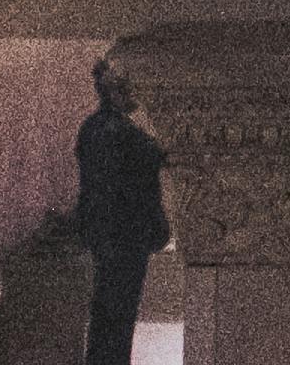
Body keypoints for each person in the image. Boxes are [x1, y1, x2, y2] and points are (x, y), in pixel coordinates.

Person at [70, 62, 170, 365]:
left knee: (105, 308)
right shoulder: (126, 134)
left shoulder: (91, 128)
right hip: (128, 237)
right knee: (121, 312)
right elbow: (157, 163)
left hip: (102, 233)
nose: (133, 95)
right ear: (114, 91)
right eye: (127, 88)